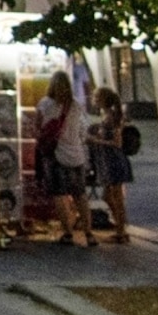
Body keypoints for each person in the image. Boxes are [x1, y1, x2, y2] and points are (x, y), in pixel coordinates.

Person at [38, 74, 94, 249]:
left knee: (60, 195)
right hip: (76, 155)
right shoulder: (76, 105)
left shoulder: (45, 104)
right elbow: (84, 130)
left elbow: (38, 127)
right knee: (80, 196)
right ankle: (89, 233)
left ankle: (68, 232)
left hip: (56, 155)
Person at [89, 88, 135, 245]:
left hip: (114, 161)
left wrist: (95, 141)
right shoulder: (106, 116)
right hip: (108, 161)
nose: (93, 99)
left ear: (103, 100)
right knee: (108, 196)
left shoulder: (111, 117)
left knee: (116, 197)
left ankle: (121, 231)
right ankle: (120, 228)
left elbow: (117, 143)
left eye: (96, 96)